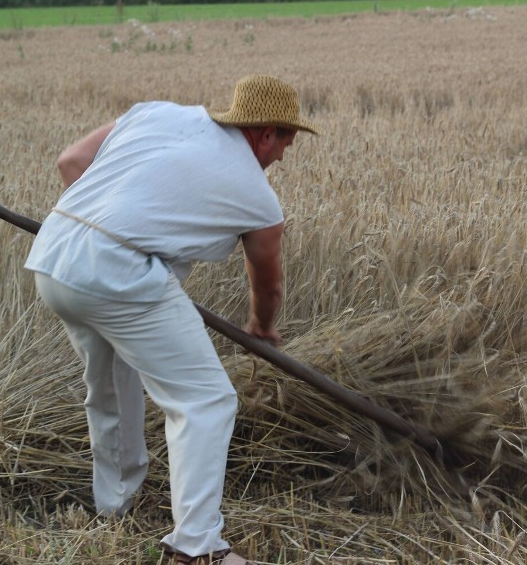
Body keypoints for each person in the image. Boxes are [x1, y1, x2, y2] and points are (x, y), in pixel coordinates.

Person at [24, 74, 320, 565]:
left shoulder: (156, 112)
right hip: (120, 277)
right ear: (266, 132)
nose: (284, 156)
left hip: (55, 257)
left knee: (111, 385)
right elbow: (267, 286)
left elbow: (70, 162)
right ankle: (197, 547)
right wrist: (262, 328)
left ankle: (113, 506)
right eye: (286, 142)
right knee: (205, 400)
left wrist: (108, 220)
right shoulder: (257, 196)